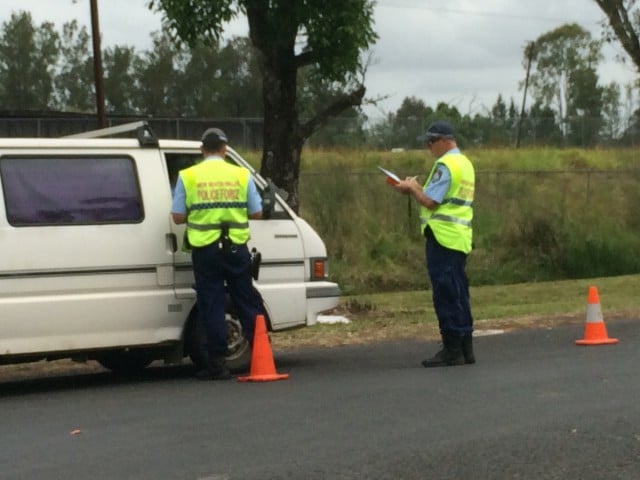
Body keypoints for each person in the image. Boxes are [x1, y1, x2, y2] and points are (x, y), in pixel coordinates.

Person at [171, 127, 264, 380]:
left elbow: (178, 217)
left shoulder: (188, 176)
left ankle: (217, 365)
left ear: (202, 150)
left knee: (211, 303)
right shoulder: (241, 175)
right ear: (224, 150)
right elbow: (257, 212)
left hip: (205, 249)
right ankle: (261, 355)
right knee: (246, 299)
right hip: (235, 247)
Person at [394, 120, 476, 367]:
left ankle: (452, 348)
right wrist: (418, 186)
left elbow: (431, 202)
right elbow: (440, 195)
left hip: (442, 236)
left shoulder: (445, 164)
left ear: (443, 140)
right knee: (459, 292)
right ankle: (465, 347)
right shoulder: (464, 163)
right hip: (459, 237)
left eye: (431, 142)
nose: (429, 147)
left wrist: (410, 189)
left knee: (445, 293)